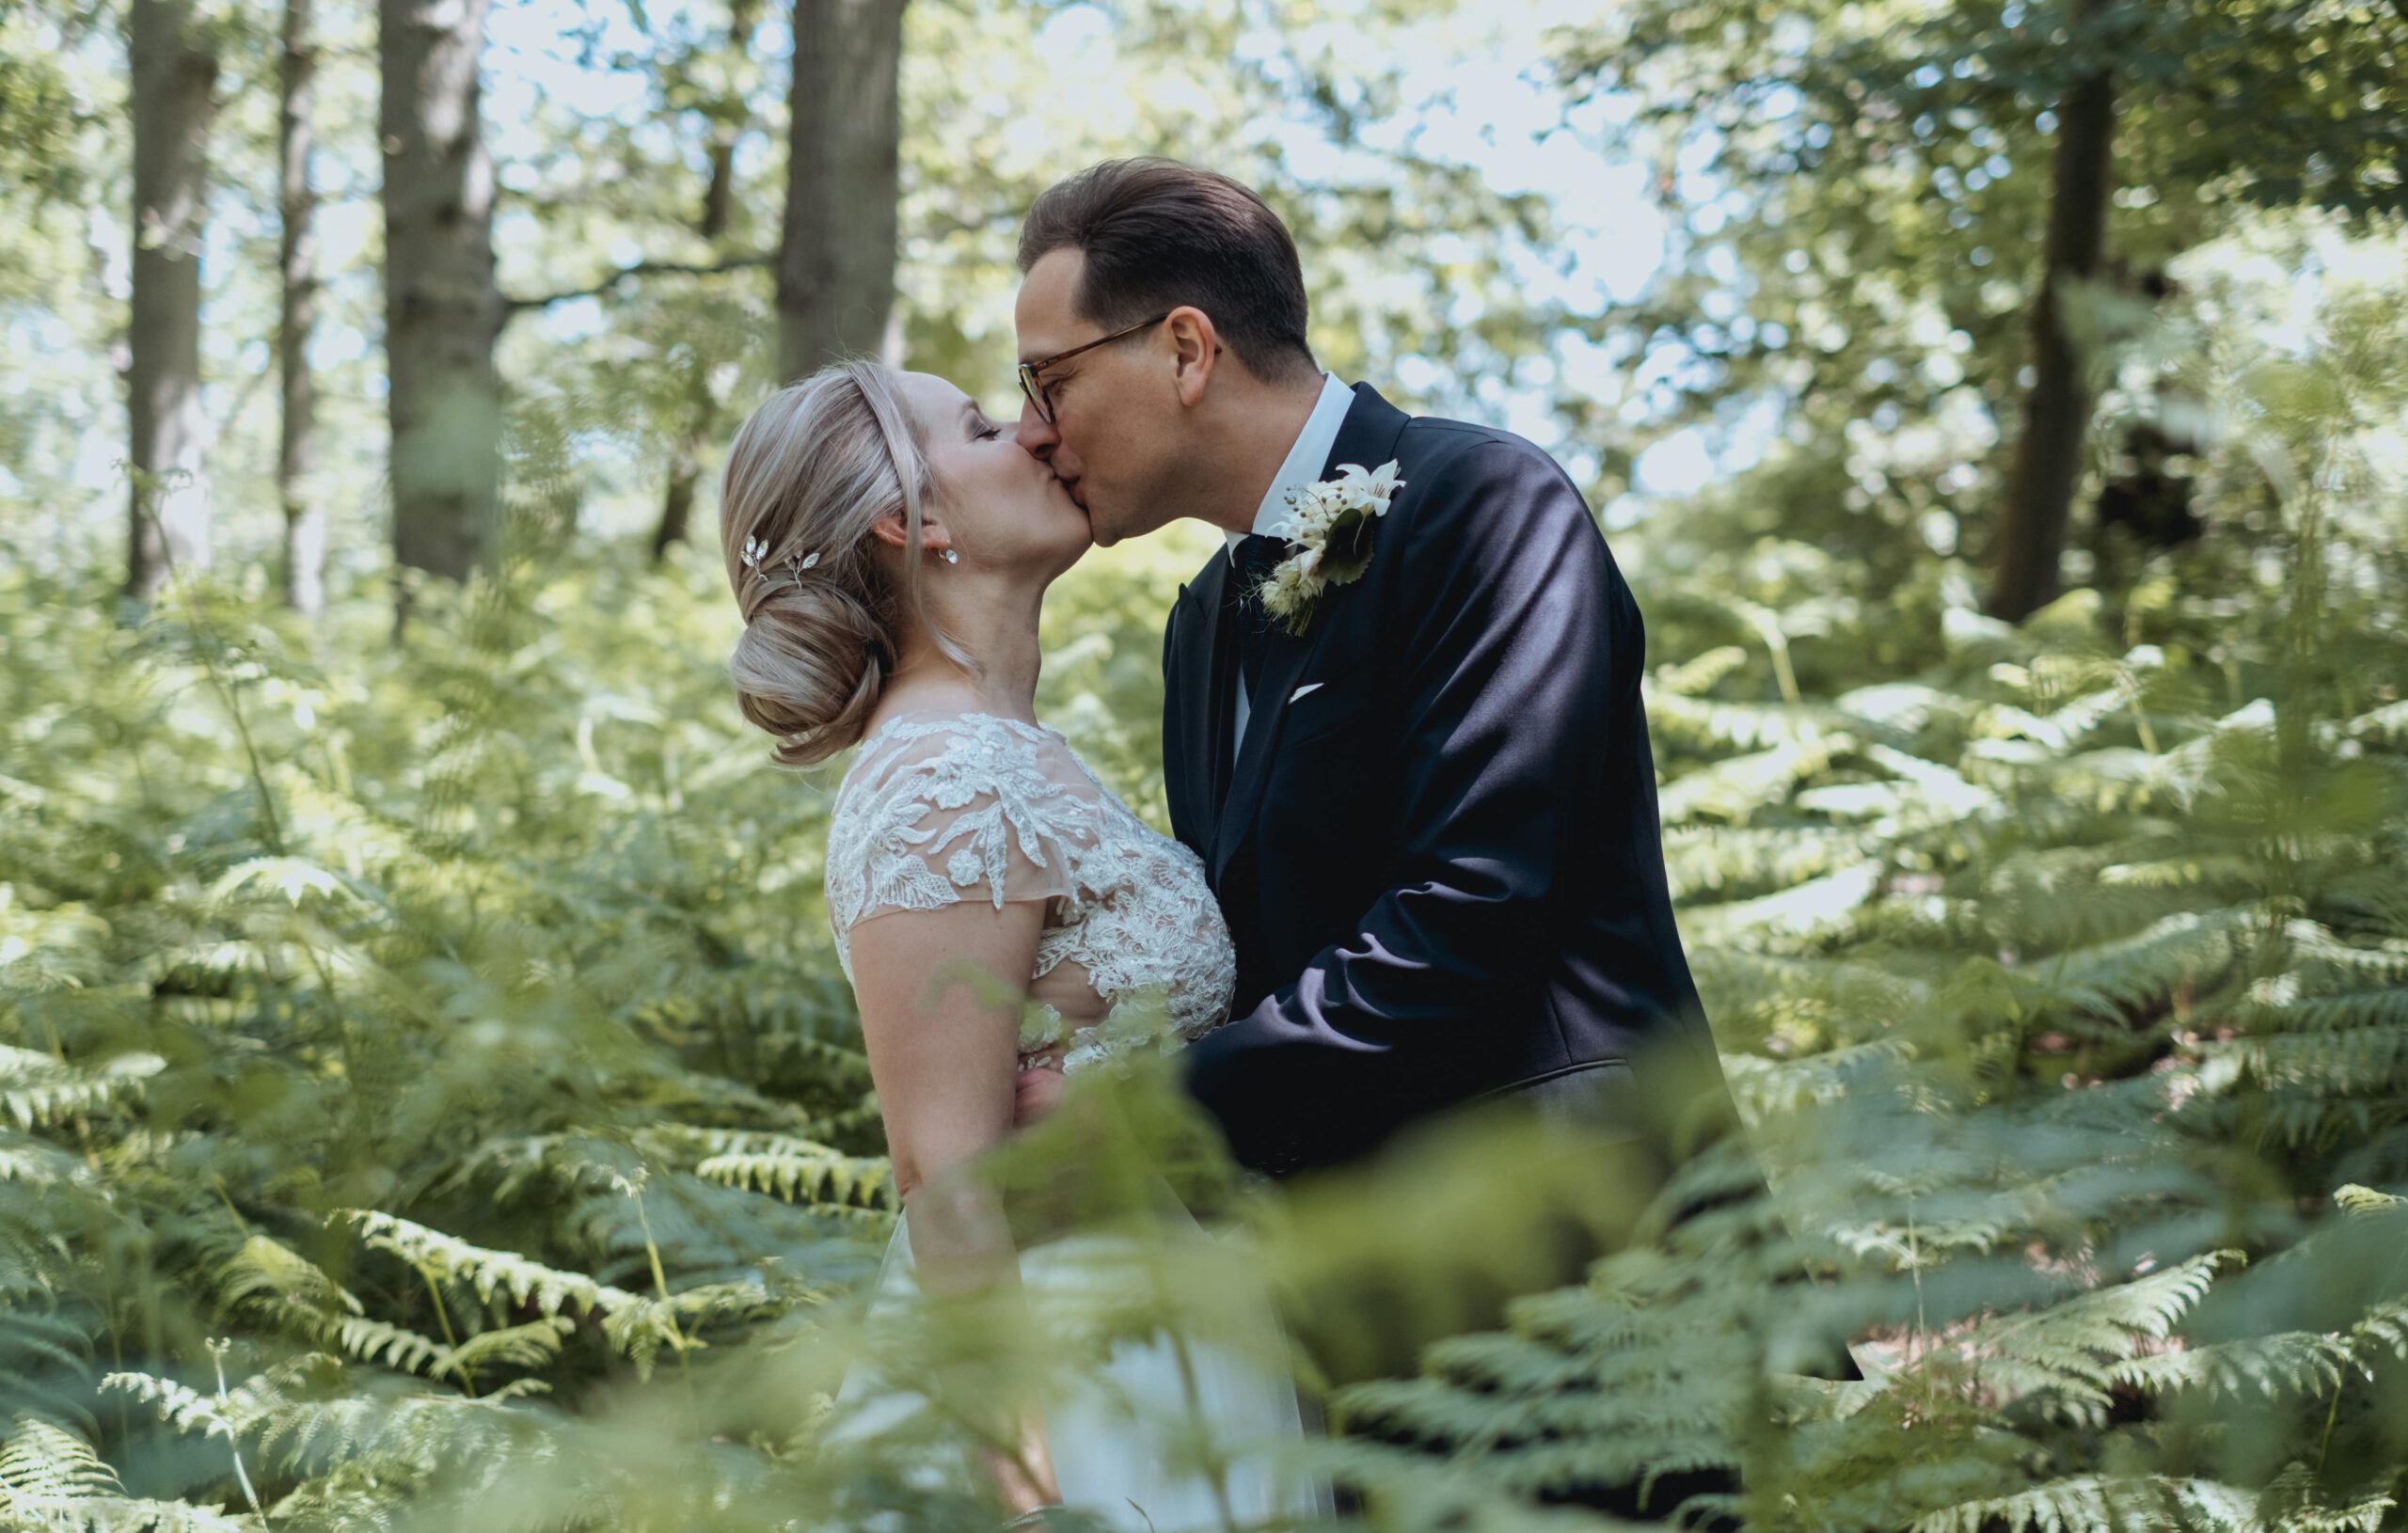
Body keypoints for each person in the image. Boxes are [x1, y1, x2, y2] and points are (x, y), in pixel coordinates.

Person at [1009, 159, 1758, 1387]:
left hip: (1571, 1251)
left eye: (1049, 381)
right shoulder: (1202, 624)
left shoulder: (1487, 505)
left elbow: (1476, 908)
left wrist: (1157, 1118)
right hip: (1349, 1295)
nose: (1036, 429)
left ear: (1186, 349)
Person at [716, 359, 1331, 1531]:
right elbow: (944, 1183)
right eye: (987, 426)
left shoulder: (1019, 753)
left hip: (1186, 1328)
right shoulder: (942, 778)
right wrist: (1026, 1497)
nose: (1041, 435)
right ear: (914, 517)